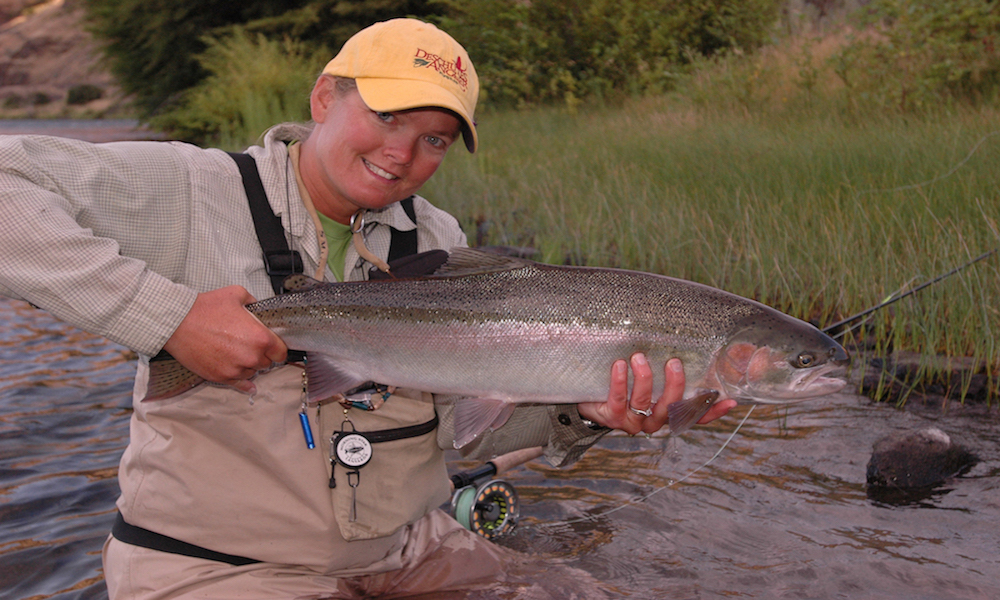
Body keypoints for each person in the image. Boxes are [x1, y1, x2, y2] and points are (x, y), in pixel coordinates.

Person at [0, 18, 735, 599]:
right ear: (325, 98)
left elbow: (462, 434)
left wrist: (586, 411)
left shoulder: (438, 238)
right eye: (386, 117)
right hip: (219, 570)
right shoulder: (188, 190)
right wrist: (166, 319)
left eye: (433, 140)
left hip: (410, 551)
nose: (401, 153)